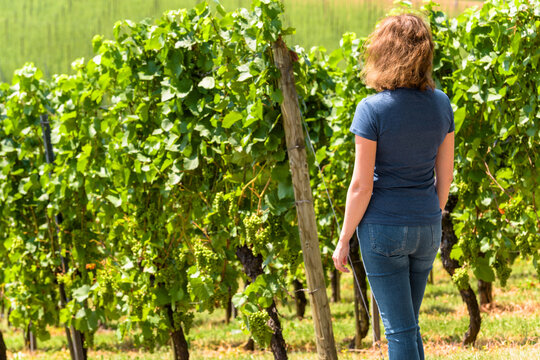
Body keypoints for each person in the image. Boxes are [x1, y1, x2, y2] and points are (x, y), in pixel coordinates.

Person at [332, 13, 455, 360]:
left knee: (399, 332)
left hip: (383, 231)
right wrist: (433, 214)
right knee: (409, 327)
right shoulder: (441, 104)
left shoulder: (371, 110)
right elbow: (444, 176)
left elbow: (361, 186)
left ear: (383, 53)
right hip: (427, 226)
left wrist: (343, 240)